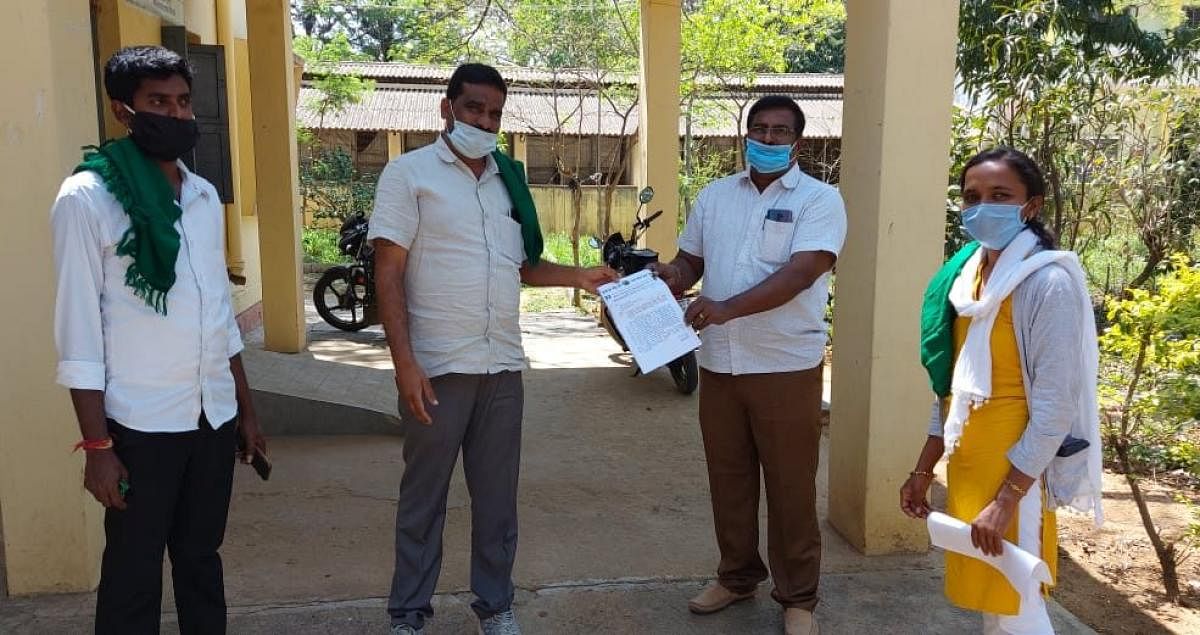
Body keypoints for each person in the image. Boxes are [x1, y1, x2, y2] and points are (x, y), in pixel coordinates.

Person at [369, 63, 618, 635]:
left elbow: (525, 267)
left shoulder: (508, 181)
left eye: (495, 113)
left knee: (498, 502)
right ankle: (408, 614)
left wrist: (582, 276)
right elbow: (389, 272)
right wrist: (404, 363)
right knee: (423, 499)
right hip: (438, 366)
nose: (484, 121)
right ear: (446, 107)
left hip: (502, 364)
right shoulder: (409, 175)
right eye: (475, 108)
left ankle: (495, 604)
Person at [50, 46, 267, 634]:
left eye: (181, 102)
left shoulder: (200, 197)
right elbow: (78, 336)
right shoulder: (88, 199)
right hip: (139, 425)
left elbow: (219, 317)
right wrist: (98, 449)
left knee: (201, 561)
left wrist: (245, 410)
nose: (175, 115)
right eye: (157, 103)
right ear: (123, 110)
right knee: (132, 573)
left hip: (211, 417)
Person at [653, 95, 846, 635]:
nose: (765, 140)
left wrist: (727, 308)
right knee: (729, 479)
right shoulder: (714, 197)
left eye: (778, 132)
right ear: (745, 135)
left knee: (790, 486)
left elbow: (802, 273)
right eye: (757, 129)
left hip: (784, 363)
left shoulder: (820, 201)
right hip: (719, 364)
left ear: (797, 143)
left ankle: (798, 597)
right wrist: (671, 276)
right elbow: (692, 261)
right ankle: (737, 577)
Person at [900, 148, 1103, 634]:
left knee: (1020, 602)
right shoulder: (967, 281)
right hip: (969, 462)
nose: (981, 207)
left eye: (999, 195)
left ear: (1030, 206)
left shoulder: (1046, 282)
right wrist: (924, 468)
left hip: (1017, 469)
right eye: (971, 196)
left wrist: (1008, 498)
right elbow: (951, 388)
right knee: (994, 601)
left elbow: (1054, 408)